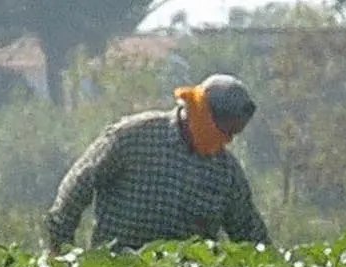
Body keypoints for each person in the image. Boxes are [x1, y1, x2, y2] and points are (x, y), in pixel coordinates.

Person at [44, 74, 271, 254]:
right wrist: (60, 247)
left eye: (233, 134)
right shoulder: (133, 137)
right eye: (224, 131)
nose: (227, 140)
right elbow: (79, 184)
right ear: (201, 111)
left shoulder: (226, 172)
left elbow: (249, 231)